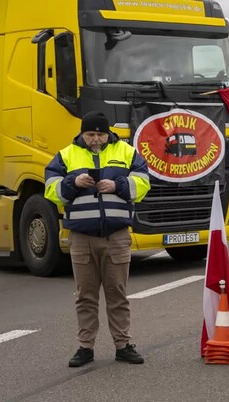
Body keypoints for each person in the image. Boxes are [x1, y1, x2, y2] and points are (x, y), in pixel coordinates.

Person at [44, 111, 152, 368]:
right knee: (85, 295)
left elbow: (144, 182)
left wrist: (118, 186)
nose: (96, 139)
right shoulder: (66, 155)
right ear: (82, 133)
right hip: (81, 237)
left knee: (118, 294)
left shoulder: (126, 152)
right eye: (90, 134)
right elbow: (50, 188)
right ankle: (85, 347)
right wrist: (73, 182)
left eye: (100, 134)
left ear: (108, 133)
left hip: (116, 236)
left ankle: (123, 345)